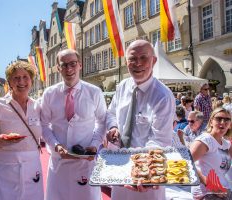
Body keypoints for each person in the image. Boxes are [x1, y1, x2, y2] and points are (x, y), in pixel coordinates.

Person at [106, 40, 175, 200]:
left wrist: (140, 167)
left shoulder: (162, 96)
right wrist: (113, 127)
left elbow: (160, 141)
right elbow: (111, 113)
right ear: (126, 62)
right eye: (132, 59)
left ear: (154, 60)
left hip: (146, 174)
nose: (138, 63)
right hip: (119, 167)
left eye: (143, 58)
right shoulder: (122, 86)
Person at [40, 49, 106, 200]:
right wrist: (56, 145)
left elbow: (102, 121)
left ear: (80, 65)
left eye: (73, 64)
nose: (69, 69)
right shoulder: (49, 94)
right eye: (64, 65)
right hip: (59, 162)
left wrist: (95, 144)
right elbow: (43, 124)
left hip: (86, 162)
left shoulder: (94, 92)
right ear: (58, 68)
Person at [0, 61, 44, 200]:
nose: (21, 81)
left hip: (33, 172)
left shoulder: (37, 106)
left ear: (31, 80)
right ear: (9, 82)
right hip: (5, 173)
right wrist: (1, 140)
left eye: (25, 77)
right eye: (16, 78)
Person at [190, 107, 232, 199]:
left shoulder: (226, 144)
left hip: (225, 190)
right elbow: (186, 163)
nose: (222, 122)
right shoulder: (205, 140)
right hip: (207, 192)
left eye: (227, 120)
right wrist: (209, 184)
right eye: (218, 118)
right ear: (211, 121)